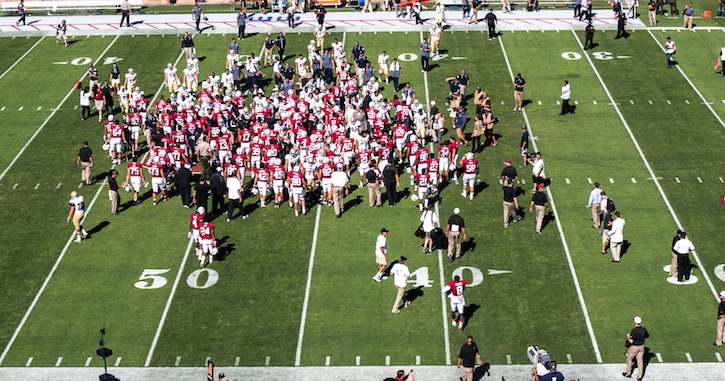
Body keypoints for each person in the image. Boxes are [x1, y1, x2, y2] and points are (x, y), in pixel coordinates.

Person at [623, 316, 649, 380]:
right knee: (640, 362)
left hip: (634, 347)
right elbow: (647, 336)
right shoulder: (644, 329)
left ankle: (628, 373)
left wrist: (628, 336)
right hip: (641, 347)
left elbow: (631, 341)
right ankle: (639, 376)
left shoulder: (634, 331)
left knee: (629, 359)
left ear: (635, 322)